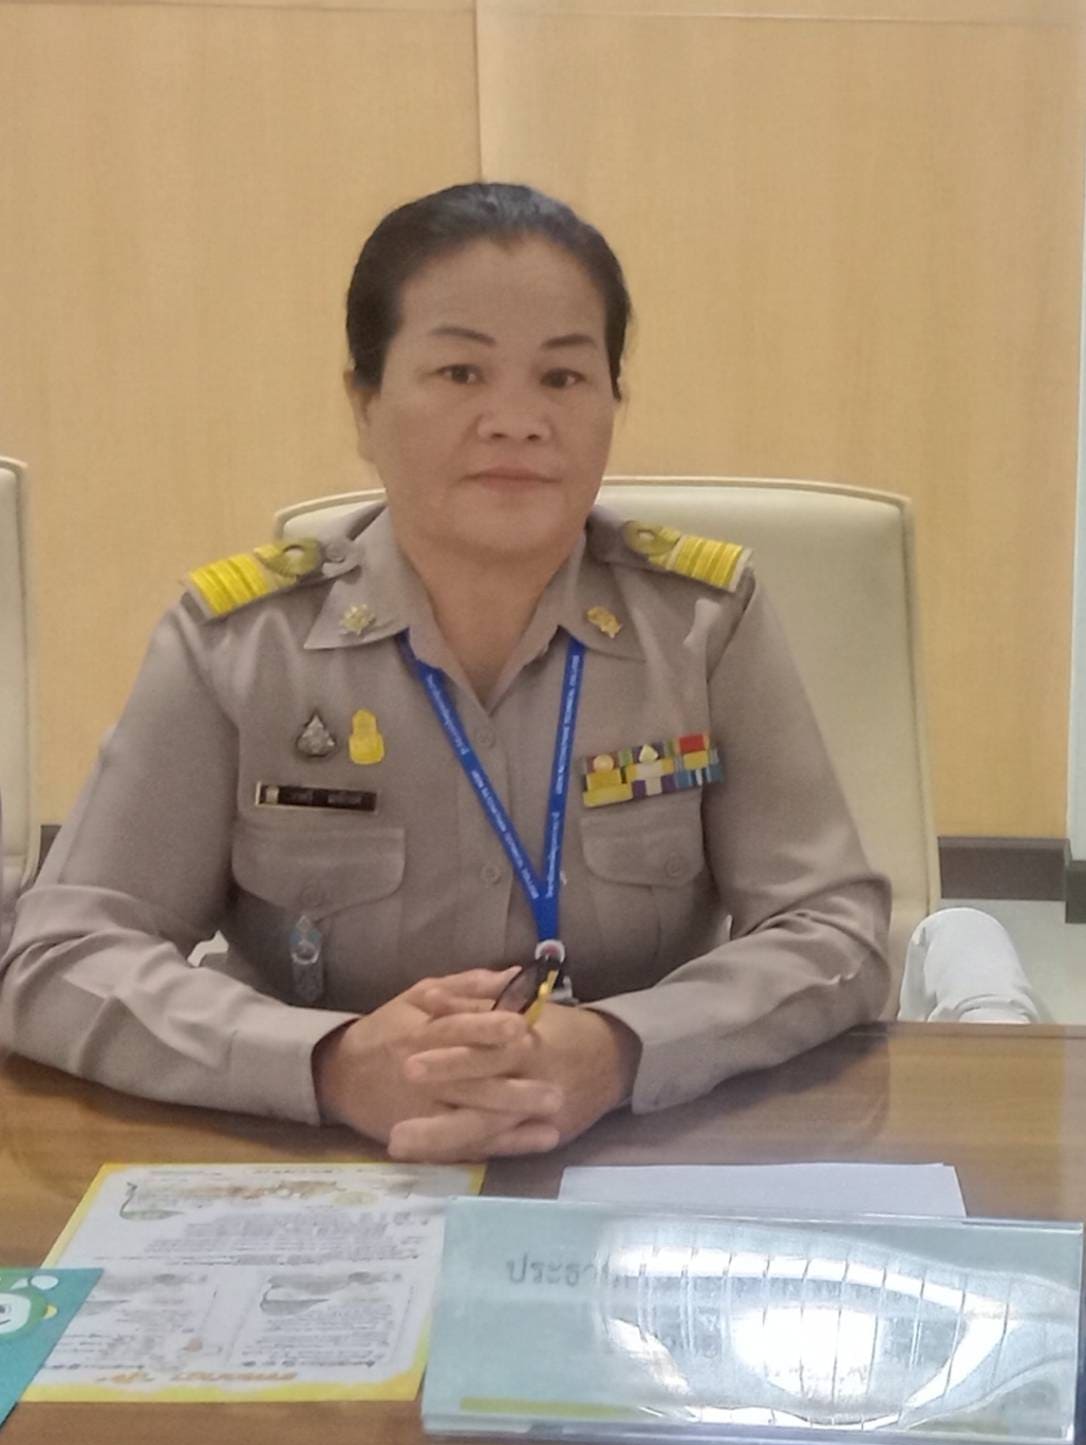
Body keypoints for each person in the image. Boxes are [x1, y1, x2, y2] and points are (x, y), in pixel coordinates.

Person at [0, 182, 890, 1161]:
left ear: (613, 404)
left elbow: (833, 929)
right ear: (365, 404)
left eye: (563, 377)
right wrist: (329, 1063)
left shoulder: (702, 627)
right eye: (462, 371)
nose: (517, 419)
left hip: (626, 1153)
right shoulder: (241, 645)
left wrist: (622, 1048)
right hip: (316, 1164)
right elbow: (59, 958)